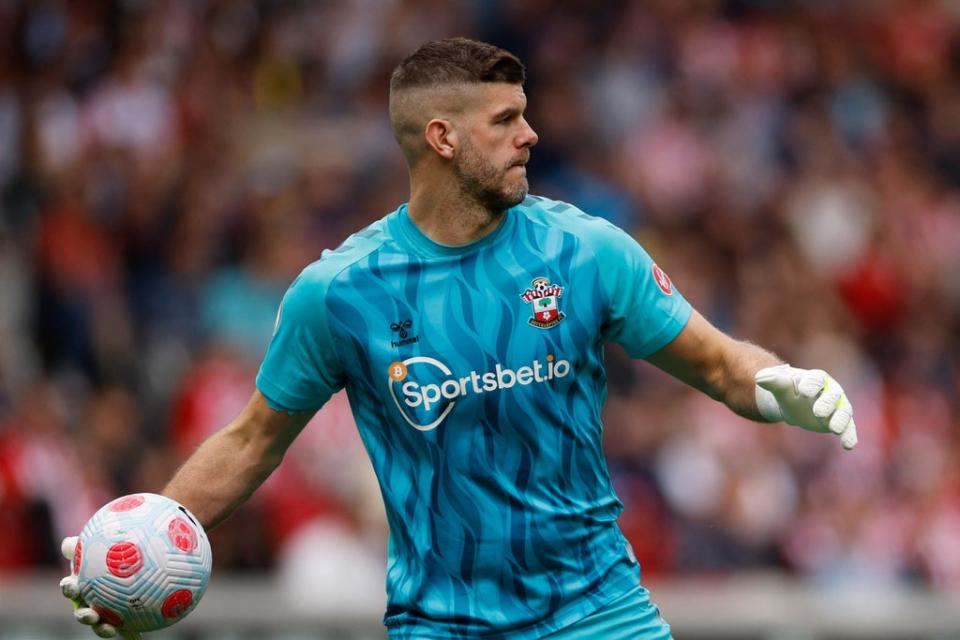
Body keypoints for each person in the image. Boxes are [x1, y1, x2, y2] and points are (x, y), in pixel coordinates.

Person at [59, 37, 857, 640]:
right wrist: (139, 546)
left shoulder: (586, 252)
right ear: (443, 138)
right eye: (506, 120)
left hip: (601, 612)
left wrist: (777, 382)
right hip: (443, 625)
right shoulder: (341, 293)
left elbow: (719, 363)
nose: (531, 135)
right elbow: (252, 439)